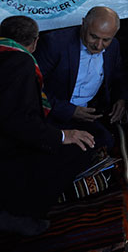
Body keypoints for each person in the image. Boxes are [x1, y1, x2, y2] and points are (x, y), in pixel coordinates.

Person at [1, 16, 95, 236]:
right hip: (8, 150)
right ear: (35, 42)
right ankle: (21, 214)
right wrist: (62, 136)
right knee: (78, 149)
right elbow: (19, 122)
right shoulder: (20, 62)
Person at [35, 6, 128, 149]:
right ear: (83, 23)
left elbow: (118, 75)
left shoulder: (113, 46)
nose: (98, 45)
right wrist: (69, 111)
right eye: (94, 37)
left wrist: (121, 99)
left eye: (106, 40)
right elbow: (33, 88)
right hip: (54, 113)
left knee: (105, 143)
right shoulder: (54, 44)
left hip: (90, 113)